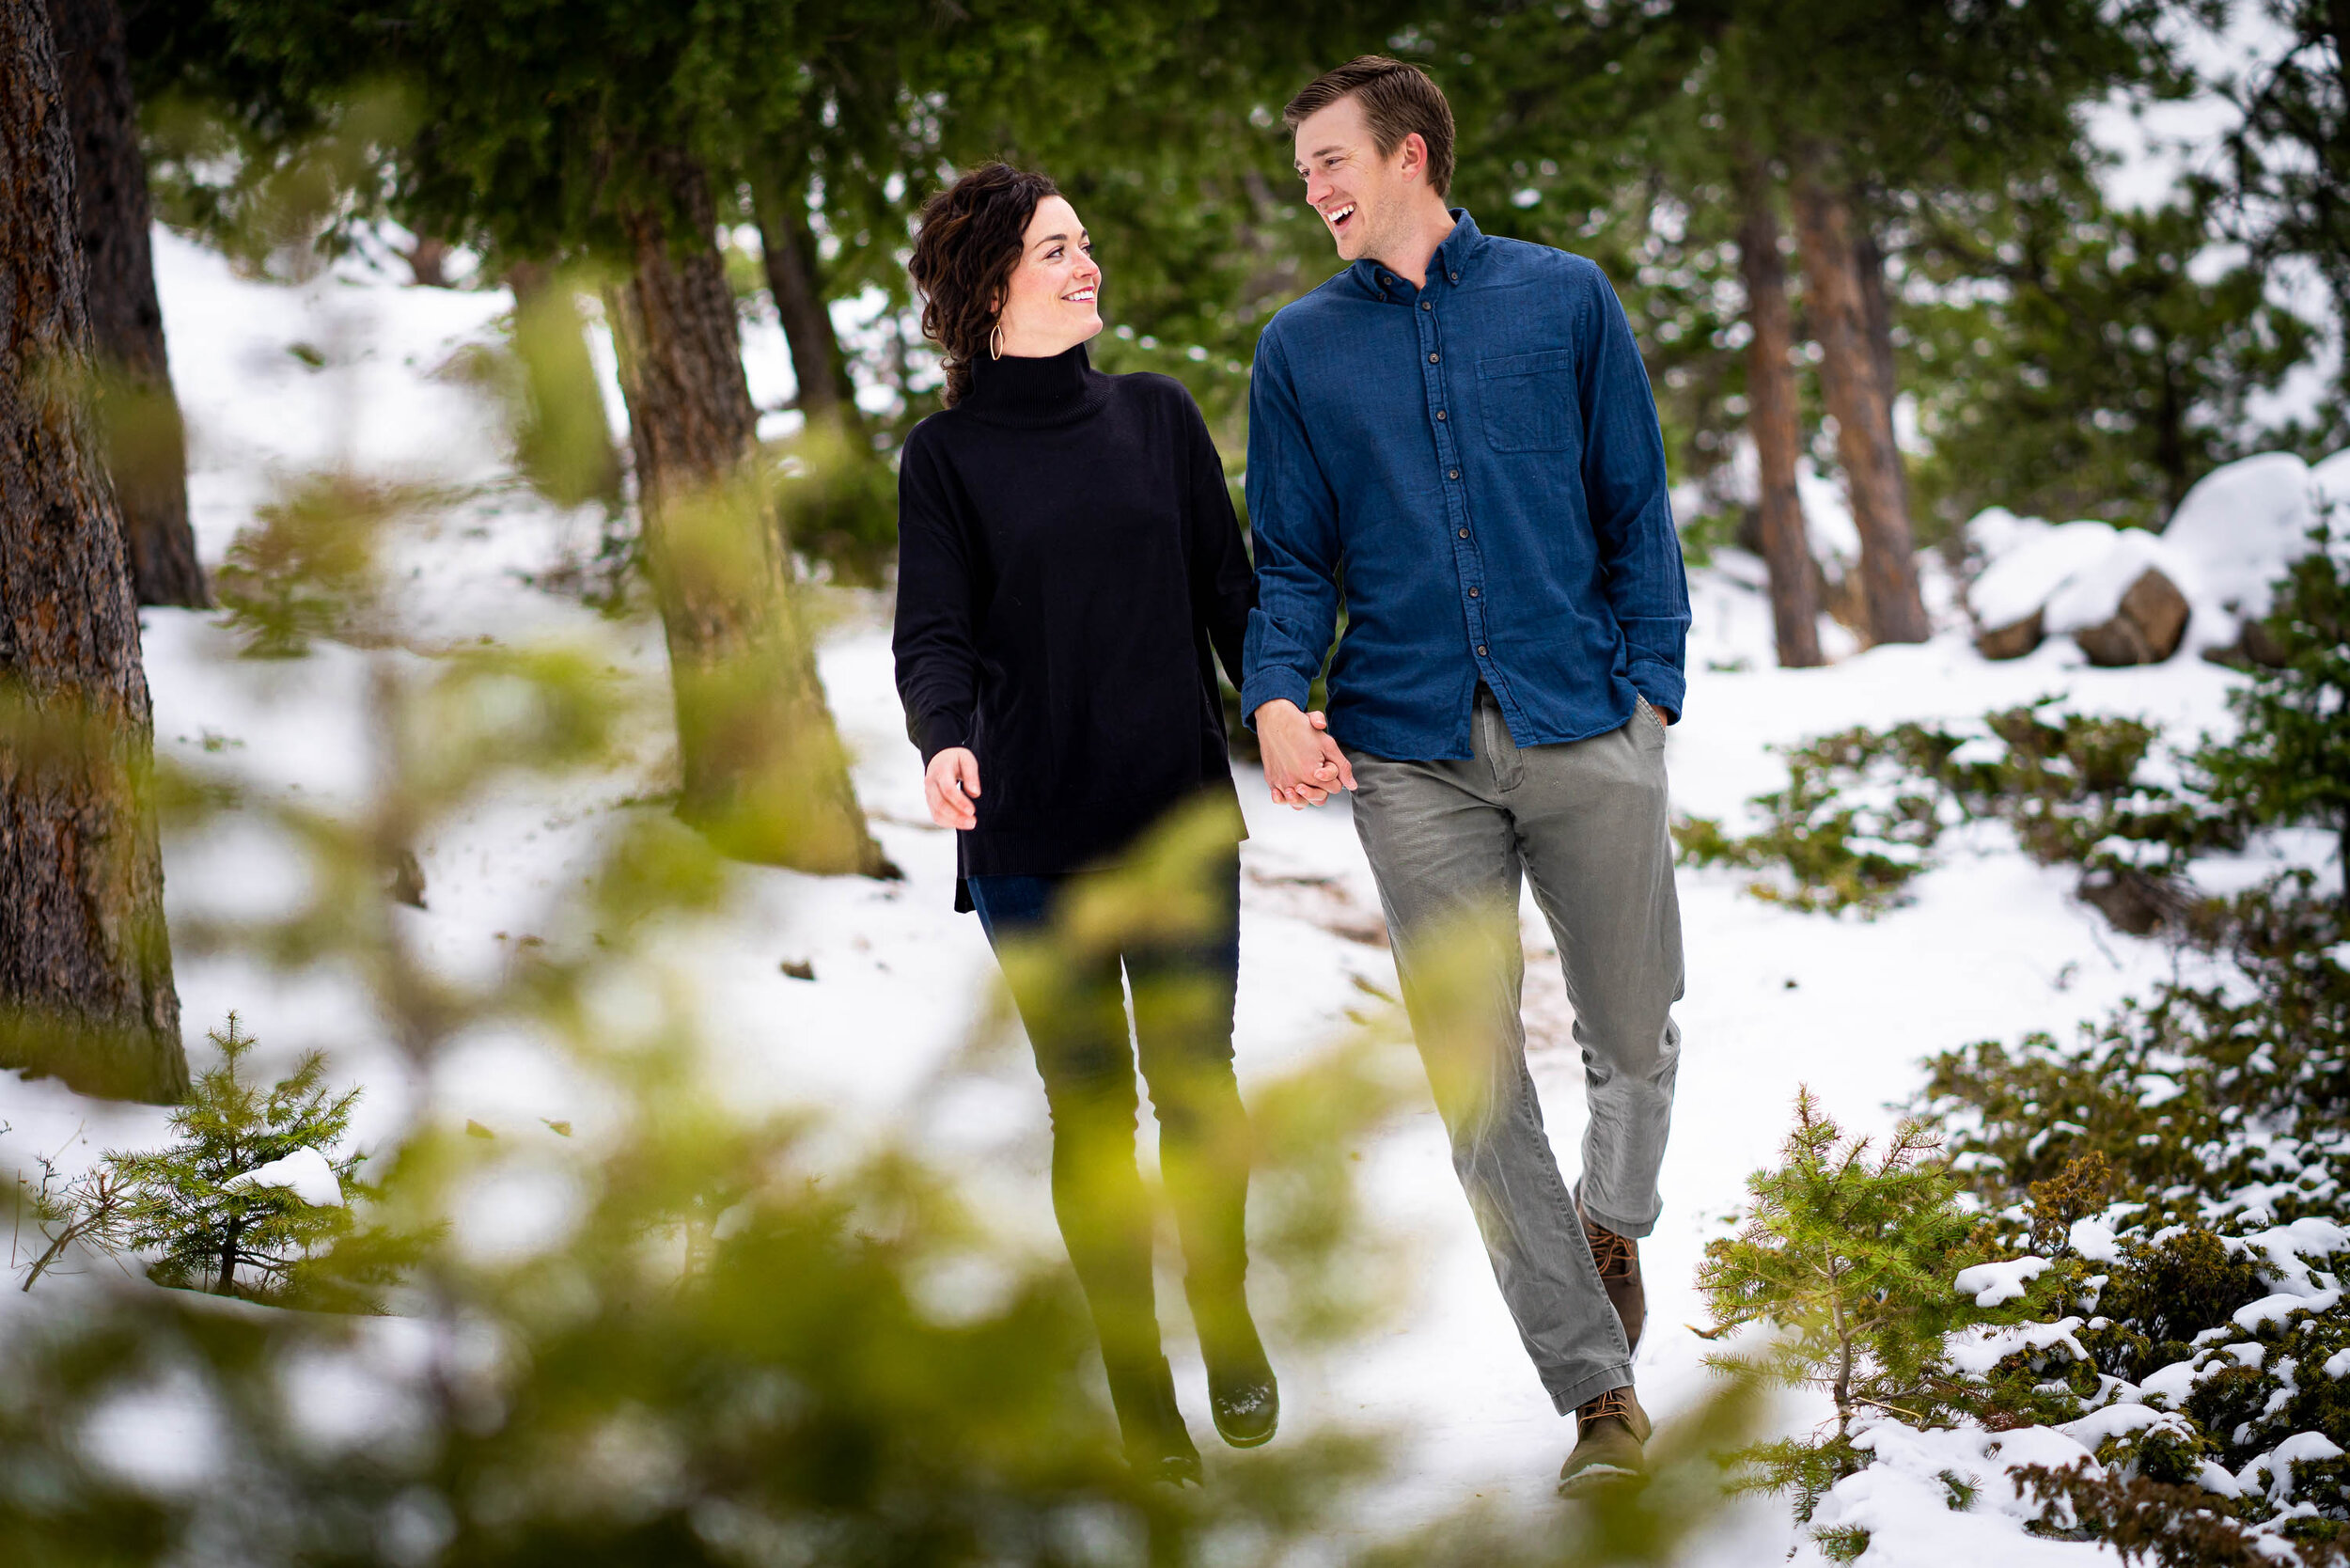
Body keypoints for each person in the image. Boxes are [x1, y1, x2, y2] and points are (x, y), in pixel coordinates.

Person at [1239, 57, 1689, 1495]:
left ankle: (1613, 1215)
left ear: (1410, 154)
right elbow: (1294, 559)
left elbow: (1636, 500)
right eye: (1304, 169)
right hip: (1407, 751)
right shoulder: (1300, 350)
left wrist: (1652, 690)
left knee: (1637, 1034)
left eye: (1330, 162)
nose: (1313, 190)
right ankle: (1597, 1396)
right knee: (1477, 1085)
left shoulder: (1564, 298)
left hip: (1582, 721)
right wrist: (1271, 693)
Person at [891, 163, 1281, 1485]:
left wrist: (1286, 705)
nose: (1088, 265)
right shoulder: (943, 459)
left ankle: (1224, 1314)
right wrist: (943, 735)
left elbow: (1232, 597)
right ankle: (1138, 1391)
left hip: (1173, 817)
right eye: (1061, 249)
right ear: (994, 281)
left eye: (1087, 244)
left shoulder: (1157, 419)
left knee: (1196, 1083)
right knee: (1090, 1112)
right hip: (1030, 837)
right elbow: (932, 632)